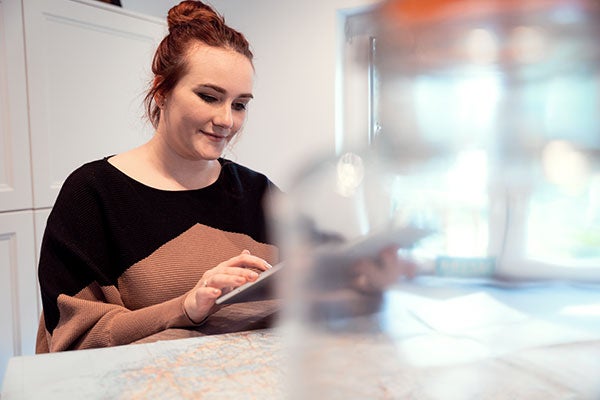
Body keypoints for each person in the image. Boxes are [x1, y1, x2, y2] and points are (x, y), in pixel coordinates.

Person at [36, 0, 280, 352]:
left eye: (239, 104)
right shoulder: (93, 195)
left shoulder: (259, 192)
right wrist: (184, 307)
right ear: (162, 91)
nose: (227, 119)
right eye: (209, 97)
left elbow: (318, 274)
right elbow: (75, 338)